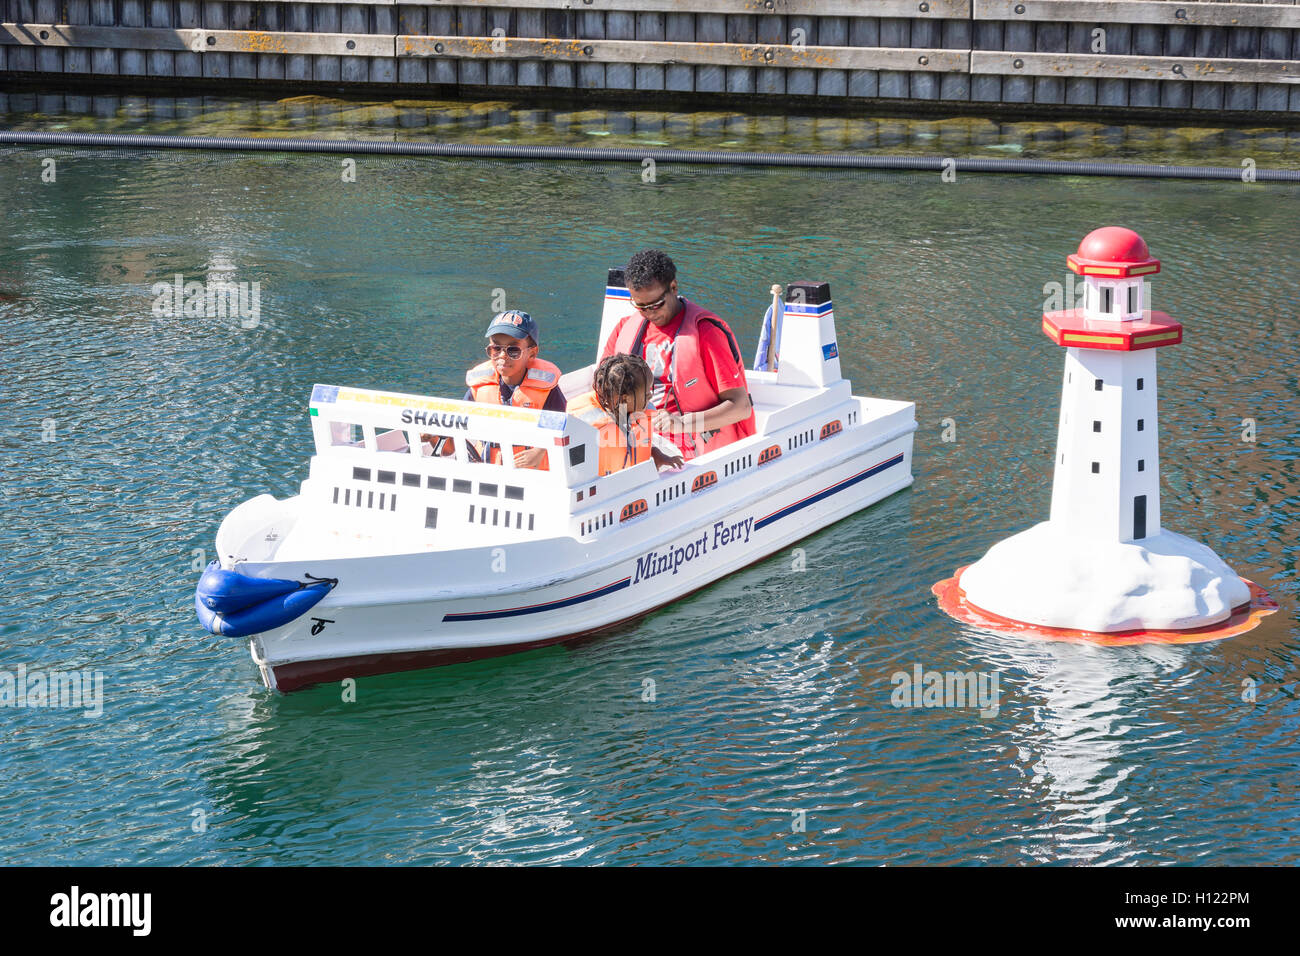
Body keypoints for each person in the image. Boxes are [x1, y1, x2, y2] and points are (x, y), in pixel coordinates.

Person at [600, 250, 756, 460]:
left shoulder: (706, 334)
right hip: (639, 443)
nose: (649, 313)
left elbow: (741, 408)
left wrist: (682, 423)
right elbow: (602, 392)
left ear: (673, 288)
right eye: (640, 306)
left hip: (693, 452)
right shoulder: (624, 328)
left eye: (655, 305)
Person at [425, 310, 564, 470]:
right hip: (489, 475)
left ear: (532, 353)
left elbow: (563, 430)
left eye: (513, 350)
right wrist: (432, 436)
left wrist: (540, 451)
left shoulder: (547, 390)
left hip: (533, 477)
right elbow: (449, 448)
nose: (502, 356)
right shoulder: (479, 388)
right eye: (496, 348)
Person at [568, 354, 684, 476]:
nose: (650, 396)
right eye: (646, 393)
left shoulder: (631, 412)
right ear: (624, 399)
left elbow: (636, 442)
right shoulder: (588, 427)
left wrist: (657, 455)